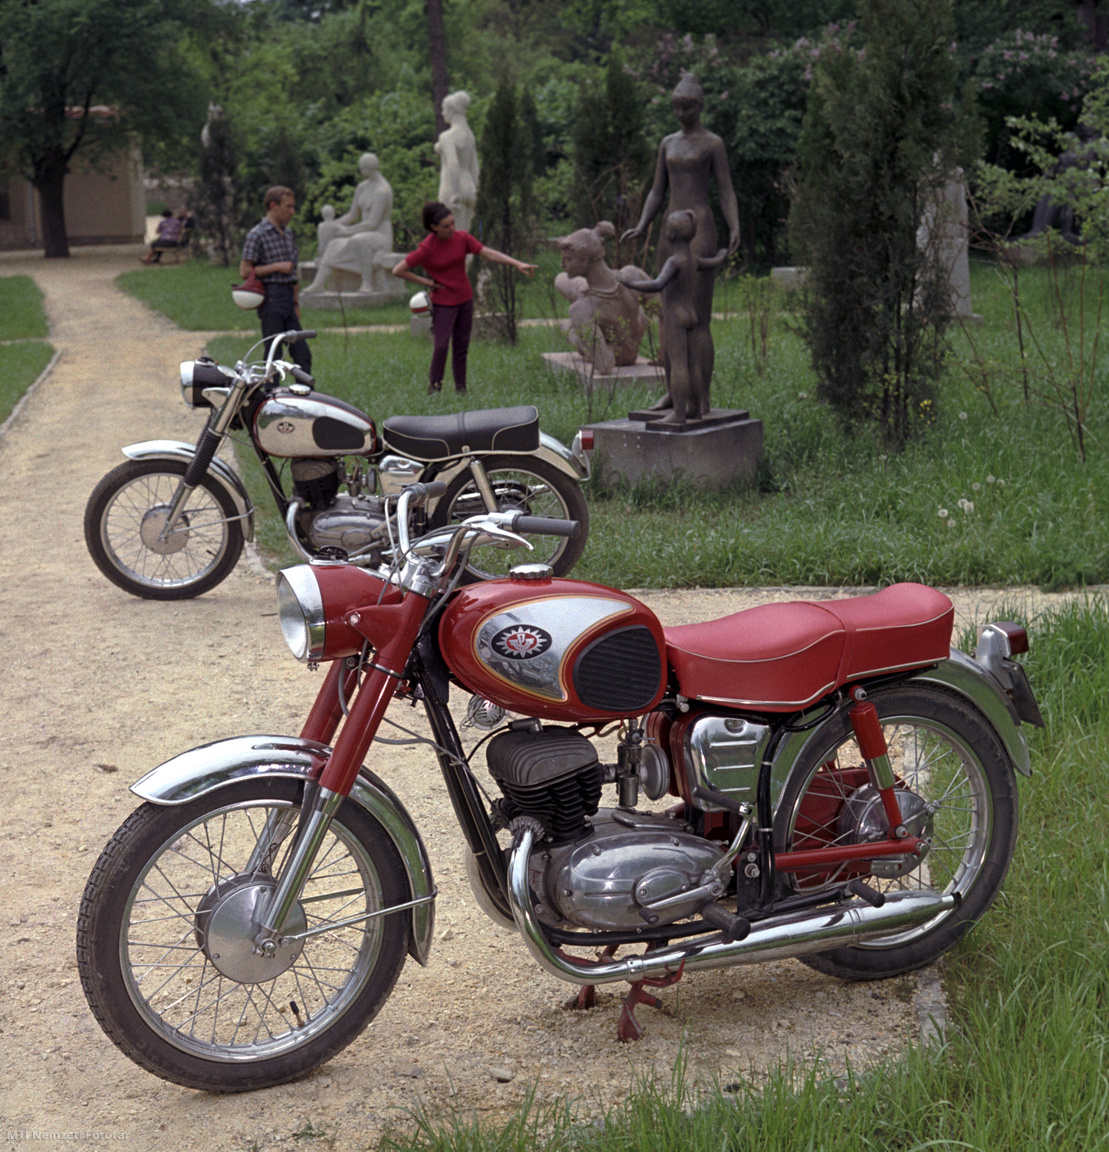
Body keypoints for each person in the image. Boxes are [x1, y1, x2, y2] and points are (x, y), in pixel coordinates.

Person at [621, 72, 739, 414]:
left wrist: (735, 226)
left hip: (699, 228)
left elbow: (726, 189)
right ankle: (675, 394)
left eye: (687, 106)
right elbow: (658, 190)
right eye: (675, 106)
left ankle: (701, 399)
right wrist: (643, 224)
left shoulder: (712, 144)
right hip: (669, 230)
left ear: (699, 106)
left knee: (698, 318)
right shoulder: (667, 143)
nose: (680, 112)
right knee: (669, 315)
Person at [391, 201, 536, 394]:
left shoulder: (462, 238)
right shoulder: (427, 248)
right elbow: (398, 270)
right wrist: (429, 283)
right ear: (433, 228)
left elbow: (487, 253)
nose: (452, 228)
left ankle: (461, 390)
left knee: (461, 348)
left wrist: (516, 263)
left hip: (465, 300)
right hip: (443, 303)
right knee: (441, 346)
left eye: (452, 223)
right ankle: (434, 391)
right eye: (446, 226)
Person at [620, 210, 727, 423]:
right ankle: (696, 408)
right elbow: (712, 263)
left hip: (676, 315)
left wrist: (629, 283)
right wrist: (723, 254)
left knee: (678, 364)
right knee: (693, 363)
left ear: (671, 233)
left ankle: (678, 414)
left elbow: (657, 284)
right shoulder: (692, 258)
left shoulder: (674, 261)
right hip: (691, 313)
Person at [240, 185, 311, 373]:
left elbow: (293, 272)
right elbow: (245, 271)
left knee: (302, 353)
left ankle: (303, 395)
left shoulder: (288, 234)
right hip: (271, 296)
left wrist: (295, 304)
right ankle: (271, 394)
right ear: (273, 205)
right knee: (274, 353)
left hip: (288, 296)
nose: (292, 212)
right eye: (288, 207)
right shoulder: (257, 234)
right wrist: (276, 267)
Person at [303, 153, 394, 295]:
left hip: (380, 236)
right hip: (364, 232)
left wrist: (347, 231)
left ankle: (367, 282)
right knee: (334, 244)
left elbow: (372, 224)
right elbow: (352, 215)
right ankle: (319, 283)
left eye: (363, 168)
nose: (360, 170)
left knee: (359, 240)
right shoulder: (362, 187)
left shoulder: (382, 190)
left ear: (370, 168)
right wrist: (332, 225)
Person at [435, 92, 480, 235]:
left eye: (444, 109)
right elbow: (475, 167)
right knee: (467, 236)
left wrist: (455, 193)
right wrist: (477, 189)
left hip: (452, 186)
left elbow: (453, 165)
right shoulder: (470, 135)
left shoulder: (447, 136)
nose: (442, 113)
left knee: (451, 236)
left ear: (451, 111)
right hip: (469, 186)